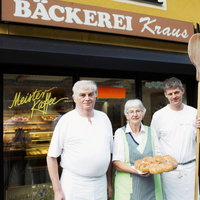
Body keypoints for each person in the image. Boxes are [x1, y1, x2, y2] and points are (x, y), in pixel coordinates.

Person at [47, 80, 113, 200]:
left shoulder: (104, 118)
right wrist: (57, 191)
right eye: (82, 95)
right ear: (74, 98)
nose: (87, 98)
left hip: (100, 185)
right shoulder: (66, 121)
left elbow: (109, 154)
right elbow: (51, 157)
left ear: (96, 96)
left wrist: (109, 183)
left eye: (90, 94)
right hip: (74, 185)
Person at [150, 77, 200, 200]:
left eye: (176, 92)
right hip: (169, 172)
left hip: (191, 169)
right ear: (165, 95)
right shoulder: (159, 116)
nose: (174, 96)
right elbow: (153, 143)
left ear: (182, 91)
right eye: (170, 94)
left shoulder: (195, 113)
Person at [112, 99, 163, 200]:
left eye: (138, 111)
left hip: (151, 186)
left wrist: (154, 167)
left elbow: (158, 157)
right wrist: (138, 171)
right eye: (131, 112)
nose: (135, 114)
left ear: (143, 114)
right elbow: (117, 163)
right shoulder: (120, 133)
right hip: (127, 189)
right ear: (126, 115)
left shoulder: (151, 131)